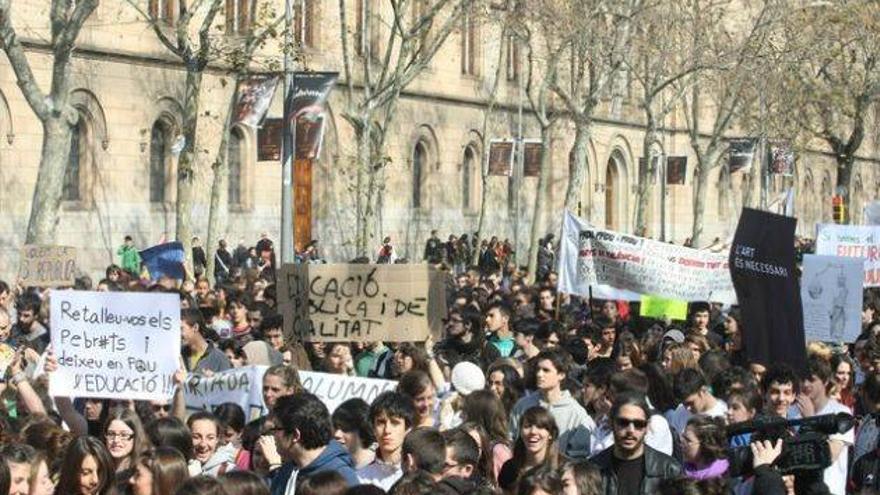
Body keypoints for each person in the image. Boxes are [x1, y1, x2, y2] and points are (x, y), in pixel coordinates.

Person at [589, 394, 682, 495]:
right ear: (611, 423)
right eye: (623, 422)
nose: (630, 430)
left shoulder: (669, 469)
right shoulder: (593, 469)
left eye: (638, 424)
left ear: (647, 427)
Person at [269, 393, 358, 494]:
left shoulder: (343, 478)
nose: (272, 434)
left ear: (295, 435)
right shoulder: (285, 472)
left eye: (276, 428)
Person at [509, 349, 594, 450]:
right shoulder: (523, 405)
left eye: (546, 370)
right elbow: (511, 439)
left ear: (561, 375)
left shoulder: (576, 413)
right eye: (538, 369)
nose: (539, 374)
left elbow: (577, 456)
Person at [799, 356, 853, 495]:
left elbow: (829, 455)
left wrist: (810, 420)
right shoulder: (792, 412)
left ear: (825, 381)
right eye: (802, 379)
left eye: (812, 379)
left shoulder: (840, 413)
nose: (805, 384)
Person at [357, 392, 415, 491]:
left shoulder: (417, 476)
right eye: (381, 422)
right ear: (373, 428)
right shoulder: (360, 478)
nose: (387, 430)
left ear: (407, 428)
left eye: (395, 423)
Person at [497, 407, 559, 491]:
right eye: (527, 426)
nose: (533, 431)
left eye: (540, 427)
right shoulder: (510, 468)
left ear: (550, 434)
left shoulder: (561, 468)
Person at [679, 416, 729, 484]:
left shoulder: (717, 476)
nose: (682, 443)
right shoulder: (684, 468)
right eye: (682, 438)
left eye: (688, 440)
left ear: (706, 445)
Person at [182, 308, 232, 373]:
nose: (177, 334)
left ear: (195, 327)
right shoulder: (178, 355)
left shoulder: (220, 359)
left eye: (181, 329)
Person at [188, 412, 238, 476]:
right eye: (196, 437)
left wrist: (197, 477)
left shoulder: (229, 472)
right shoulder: (179, 465)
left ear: (217, 439)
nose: (203, 444)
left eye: (210, 438)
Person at [331, 399, 376, 469]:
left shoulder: (380, 470)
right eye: (336, 427)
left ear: (363, 431)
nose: (337, 434)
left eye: (345, 428)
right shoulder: (335, 468)